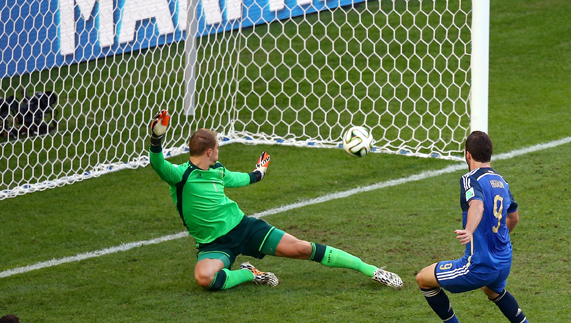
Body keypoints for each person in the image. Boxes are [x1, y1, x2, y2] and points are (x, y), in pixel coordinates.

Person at [147, 110, 403, 291]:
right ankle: (248, 274)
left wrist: (260, 171)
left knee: (302, 249)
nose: (220, 150)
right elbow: (157, 163)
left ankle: (371, 270)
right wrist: (156, 138)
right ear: (210, 151)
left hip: (244, 229)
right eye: (218, 146)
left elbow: (245, 178)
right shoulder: (180, 175)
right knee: (205, 279)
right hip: (213, 245)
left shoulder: (218, 171)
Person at [414, 131, 546, 323]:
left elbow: (477, 205)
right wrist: (496, 237)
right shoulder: (501, 181)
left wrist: (469, 230)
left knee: (423, 279)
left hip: (479, 265)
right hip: (504, 260)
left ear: (468, 155)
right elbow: (513, 217)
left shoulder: (470, 179)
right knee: (493, 290)